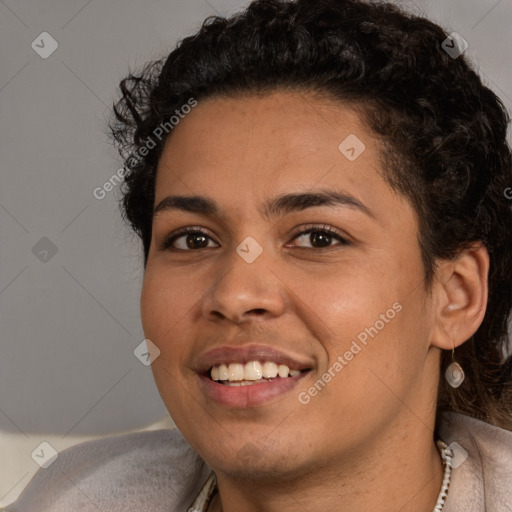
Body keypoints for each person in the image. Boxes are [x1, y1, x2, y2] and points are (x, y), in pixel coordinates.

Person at [6, 0, 512, 510]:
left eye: (318, 238)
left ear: (456, 296)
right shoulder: (71, 498)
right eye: (193, 239)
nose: (235, 294)